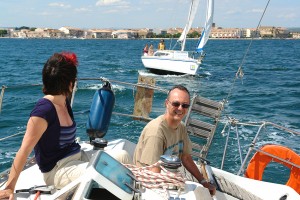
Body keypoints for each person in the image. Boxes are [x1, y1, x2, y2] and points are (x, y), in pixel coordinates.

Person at [0, 52, 131, 200]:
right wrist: (9, 187)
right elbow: (23, 151)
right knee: (101, 174)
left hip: (78, 157)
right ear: (70, 83)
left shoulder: (64, 102)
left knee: (123, 156)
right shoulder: (43, 112)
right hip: (58, 171)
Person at [133, 85, 216, 196]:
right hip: (147, 185)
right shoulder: (156, 132)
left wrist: (203, 182)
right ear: (166, 103)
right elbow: (153, 173)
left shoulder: (181, 127)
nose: (180, 108)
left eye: (185, 105)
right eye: (176, 104)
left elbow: (185, 157)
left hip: (167, 178)